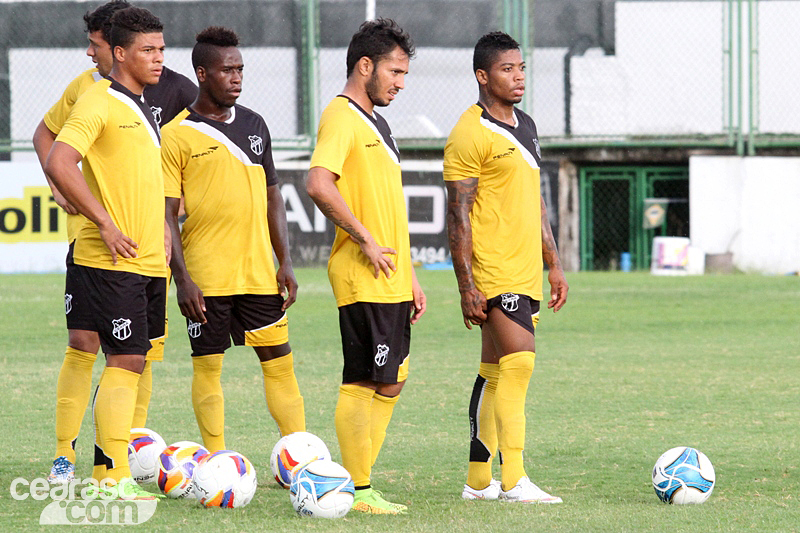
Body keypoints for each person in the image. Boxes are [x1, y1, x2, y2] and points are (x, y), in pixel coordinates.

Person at [32, 0, 195, 485]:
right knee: (114, 355)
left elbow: (143, 180)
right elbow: (60, 157)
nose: (160, 58)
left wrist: (164, 228)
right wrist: (101, 219)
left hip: (146, 256)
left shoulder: (145, 106)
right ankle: (105, 472)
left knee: (132, 357)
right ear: (121, 53)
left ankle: (113, 467)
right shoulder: (98, 99)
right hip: (109, 255)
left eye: (162, 49)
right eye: (148, 50)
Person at [162, 26, 305, 454]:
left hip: (260, 273)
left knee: (280, 365)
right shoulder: (176, 134)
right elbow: (166, 214)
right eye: (228, 70)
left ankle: (298, 459)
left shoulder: (255, 125)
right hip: (206, 277)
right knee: (208, 368)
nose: (237, 77)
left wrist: (286, 261)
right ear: (203, 73)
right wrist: (182, 278)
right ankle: (217, 459)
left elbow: (272, 194)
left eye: (241, 69)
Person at [443, 31, 569, 504]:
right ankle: (514, 478)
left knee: (494, 371)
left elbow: (534, 200)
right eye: (506, 69)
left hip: (525, 270)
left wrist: (553, 265)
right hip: (492, 270)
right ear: (482, 75)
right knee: (520, 363)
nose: (518, 77)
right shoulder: (468, 132)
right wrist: (466, 286)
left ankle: (479, 481)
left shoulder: (526, 125)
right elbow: (458, 213)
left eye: (520, 68)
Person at [306, 18, 425, 515]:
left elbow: (387, 206)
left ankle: (350, 481)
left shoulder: (378, 123)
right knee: (363, 379)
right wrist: (365, 240)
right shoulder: (342, 116)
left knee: (393, 378)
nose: (400, 82)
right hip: (362, 273)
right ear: (365, 65)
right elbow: (318, 183)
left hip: (393, 276)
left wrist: (411, 274)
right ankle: (356, 488)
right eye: (395, 72)